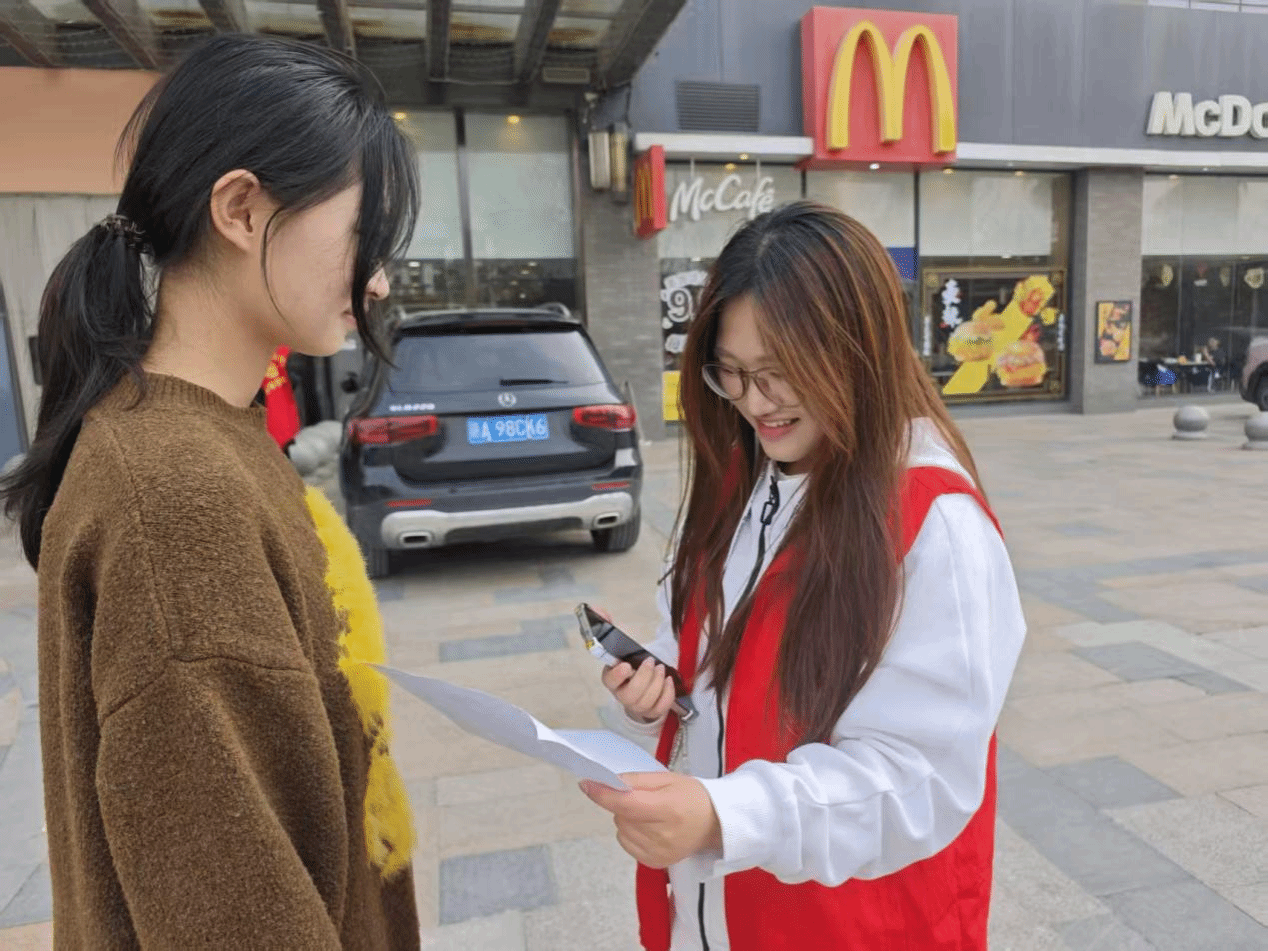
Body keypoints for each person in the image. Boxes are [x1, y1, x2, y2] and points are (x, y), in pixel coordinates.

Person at [0, 35, 421, 948]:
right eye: (364, 238)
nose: (380, 280)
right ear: (240, 208)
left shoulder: (199, 436)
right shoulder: (175, 491)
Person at [582, 201, 1026, 951]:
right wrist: (650, 697)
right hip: (715, 916)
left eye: (779, 372)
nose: (754, 401)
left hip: (855, 928)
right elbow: (705, 664)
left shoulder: (932, 522)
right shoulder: (744, 484)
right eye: (731, 372)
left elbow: (920, 779)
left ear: (858, 351)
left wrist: (726, 816)